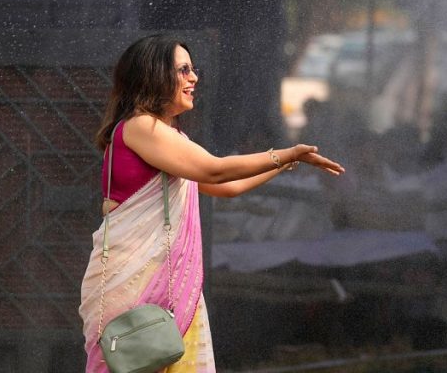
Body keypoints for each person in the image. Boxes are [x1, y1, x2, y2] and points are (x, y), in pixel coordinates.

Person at [78, 34, 345, 372]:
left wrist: (287, 163)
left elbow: (224, 187)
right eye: (183, 70)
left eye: (193, 69)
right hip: (136, 285)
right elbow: (215, 169)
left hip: (169, 287)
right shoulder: (140, 127)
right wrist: (284, 154)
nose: (194, 78)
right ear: (153, 75)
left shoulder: (170, 138)